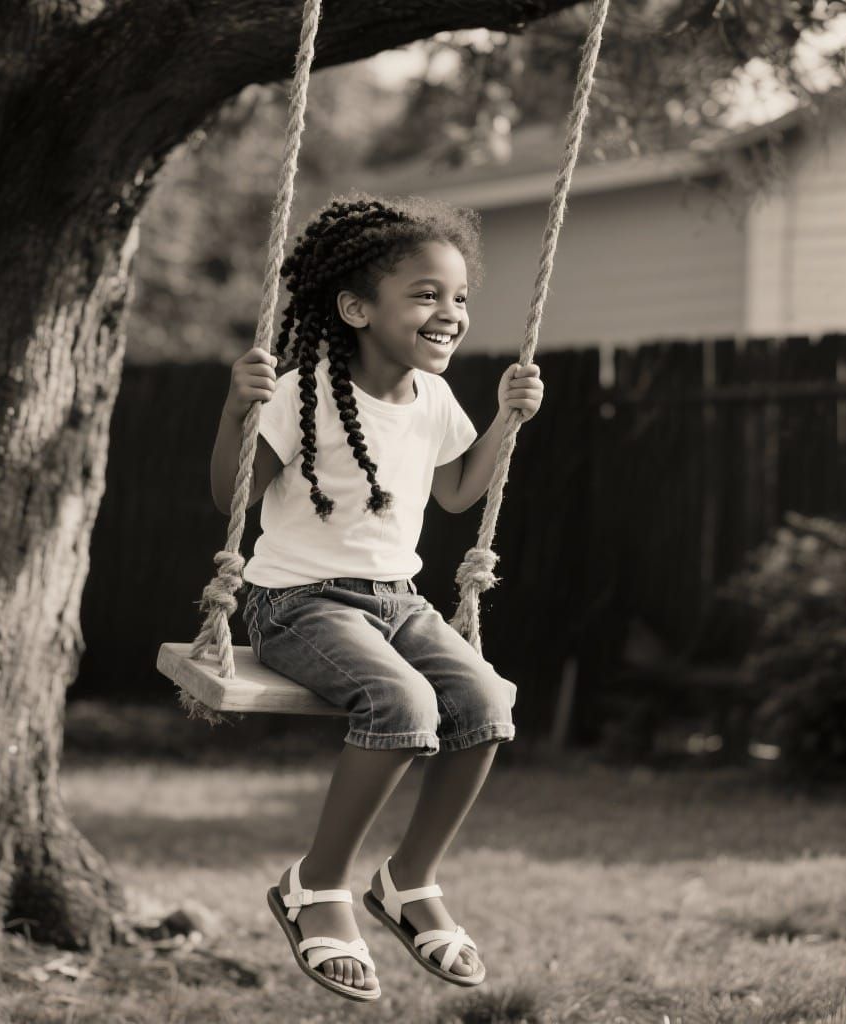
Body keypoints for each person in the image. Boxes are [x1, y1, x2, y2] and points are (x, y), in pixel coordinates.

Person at [210, 193, 544, 1002]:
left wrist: (506, 420)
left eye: (459, 296)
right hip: (295, 601)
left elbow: (462, 494)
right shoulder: (303, 390)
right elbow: (232, 494)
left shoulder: (433, 399)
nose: (450, 312)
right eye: (426, 294)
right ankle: (316, 884)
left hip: (400, 601)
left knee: (486, 700)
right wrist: (237, 405)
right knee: (403, 703)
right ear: (356, 307)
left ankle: (408, 879)